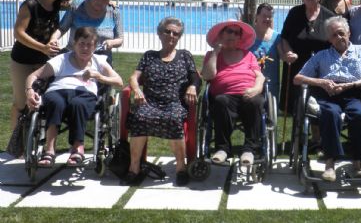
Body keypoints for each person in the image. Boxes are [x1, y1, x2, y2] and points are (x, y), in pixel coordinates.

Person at [294, 16, 361, 181]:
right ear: (329, 39)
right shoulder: (321, 55)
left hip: (353, 92)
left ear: (349, 33)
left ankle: (357, 163)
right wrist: (321, 82)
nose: (339, 37)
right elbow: (298, 78)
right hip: (328, 94)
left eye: (341, 33)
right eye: (334, 35)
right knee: (330, 114)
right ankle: (330, 164)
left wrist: (351, 85)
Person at [25, 27, 122, 167]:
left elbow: (119, 81)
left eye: (89, 44)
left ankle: (77, 148)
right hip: (58, 91)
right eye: (81, 43)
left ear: (94, 47)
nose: (85, 48)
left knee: (78, 104)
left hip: (85, 93)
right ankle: (49, 149)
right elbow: (33, 76)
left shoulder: (98, 61)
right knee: (55, 102)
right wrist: (29, 91)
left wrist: (98, 76)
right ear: (74, 44)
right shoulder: (62, 59)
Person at [125, 17, 200, 186]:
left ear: (179, 37)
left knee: (174, 119)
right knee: (139, 117)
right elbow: (134, 77)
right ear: (160, 33)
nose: (171, 35)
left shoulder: (184, 56)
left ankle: (181, 168)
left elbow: (195, 77)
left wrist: (193, 87)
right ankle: (134, 168)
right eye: (168, 31)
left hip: (175, 103)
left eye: (176, 33)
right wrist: (136, 89)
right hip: (150, 102)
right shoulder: (149, 56)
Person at [9, 0, 72, 132]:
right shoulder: (31, 4)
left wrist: (110, 2)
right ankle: (16, 145)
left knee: (38, 102)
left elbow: (83, 3)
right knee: (22, 102)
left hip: (43, 62)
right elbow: (18, 33)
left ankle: (32, 140)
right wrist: (43, 48)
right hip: (22, 60)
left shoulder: (56, 6)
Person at [202, 20, 264, 167]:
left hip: (249, 93)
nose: (233, 35)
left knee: (255, 101)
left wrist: (256, 88)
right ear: (221, 34)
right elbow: (207, 76)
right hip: (225, 96)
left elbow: (259, 76)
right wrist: (216, 52)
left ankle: (250, 149)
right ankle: (223, 149)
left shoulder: (248, 55)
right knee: (220, 101)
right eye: (229, 31)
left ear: (239, 38)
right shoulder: (212, 55)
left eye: (237, 33)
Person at [280, 0, 333, 112]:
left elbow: (335, 44)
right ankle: (298, 132)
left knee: (318, 111)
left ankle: (316, 133)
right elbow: (284, 38)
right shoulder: (294, 13)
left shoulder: (329, 17)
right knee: (297, 109)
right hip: (297, 67)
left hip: (321, 70)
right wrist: (288, 52)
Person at [52, 0, 123, 65]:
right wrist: (54, 39)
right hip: (74, 59)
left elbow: (120, 39)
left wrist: (112, 42)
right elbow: (62, 28)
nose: (100, 1)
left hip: (101, 62)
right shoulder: (76, 6)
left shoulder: (114, 11)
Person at [249, 3, 282, 98]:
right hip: (251, 82)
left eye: (270, 16)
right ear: (257, 16)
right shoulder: (249, 36)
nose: (267, 19)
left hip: (271, 84)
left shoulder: (277, 37)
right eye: (264, 16)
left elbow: (283, 55)